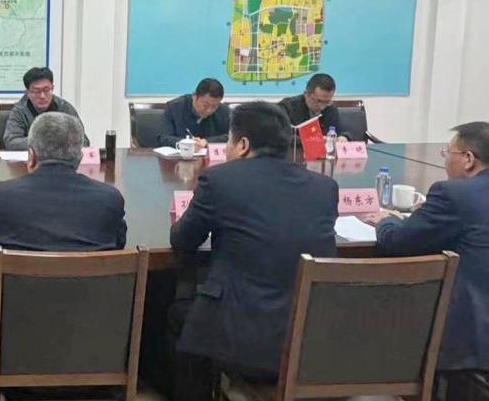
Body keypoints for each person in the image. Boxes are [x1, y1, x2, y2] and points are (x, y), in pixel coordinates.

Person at [169, 101, 338, 400]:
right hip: (310, 336)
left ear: (243, 145)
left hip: (244, 339)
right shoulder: (325, 187)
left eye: (229, 142)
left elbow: (183, 240)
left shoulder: (220, 180)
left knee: (174, 315)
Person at [0, 112, 127, 381]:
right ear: (79, 157)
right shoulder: (109, 200)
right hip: (93, 352)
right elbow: (117, 250)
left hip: (11, 353)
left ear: (31, 155)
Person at [365, 122, 489, 401]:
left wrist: (386, 221)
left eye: (448, 152)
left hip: (469, 338)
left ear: (468, 159)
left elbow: (398, 243)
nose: (445, 159)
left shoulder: (453, 194)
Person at [2, 66, 88, 150]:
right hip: (31, 158)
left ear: (52, 88)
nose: (42, 96)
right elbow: (11, 142)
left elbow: (84, 141)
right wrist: (45, 141)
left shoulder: (64, 108)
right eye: (36, 91)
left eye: (46, 90)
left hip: (60, 157)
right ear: (27, 92)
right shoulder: (19, 111)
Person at [158, 78, 231, 149]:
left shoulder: (224, 111)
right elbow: (163, 138)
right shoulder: (174, 107)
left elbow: (232, 137)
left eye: (214, 106)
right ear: (194, 96)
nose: (209, 110)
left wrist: (207, 141)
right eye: (205, 105)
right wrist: (186, 143)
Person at [279, 73, 350, 142]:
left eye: (327, 101)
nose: (322, 107)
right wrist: (313, 141)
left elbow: (342, 130)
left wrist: (343, 137)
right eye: (318, 101)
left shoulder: (330, 108)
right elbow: (280, 136)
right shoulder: (288, 107)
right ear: (306, 94)